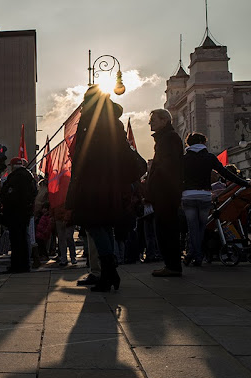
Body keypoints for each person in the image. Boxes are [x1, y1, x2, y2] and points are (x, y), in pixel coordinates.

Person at [67, 85, 146, 290]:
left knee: (94, 224)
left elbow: (85, 153)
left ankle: (109, 272)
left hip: (93, 182)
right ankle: (110, 273)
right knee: (104, 226)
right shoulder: (114, 121)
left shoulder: (90, 120)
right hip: (111, 182)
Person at [182, 132, 249, 266]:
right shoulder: (209, 157)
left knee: (192, 228)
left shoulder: (183, 159)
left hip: (188, 195)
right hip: (205, 195)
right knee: (202, 227)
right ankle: (195, 255)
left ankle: (194, 255)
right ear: (202, 142)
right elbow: (225, 173)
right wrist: (244, 183)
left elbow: (176, 178)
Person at [145, 109, 184, 277]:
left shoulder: (169, 139)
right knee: (164, 229)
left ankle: (173, 266)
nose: (150, 123)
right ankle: (171, 264)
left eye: (153, 120)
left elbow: (167, 166)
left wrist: (155, 185)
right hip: (165, 192)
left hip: (166, 192)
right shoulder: (165, 138)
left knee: (167, 230)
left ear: (165, 121)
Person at [1, 157, 37, 273]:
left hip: (15, 213)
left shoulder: (15, 178)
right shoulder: (29, 177)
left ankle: (17, 265)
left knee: (16, 240)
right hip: (25, 212)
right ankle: (25, 264)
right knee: (24, 238)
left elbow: (9, 194)